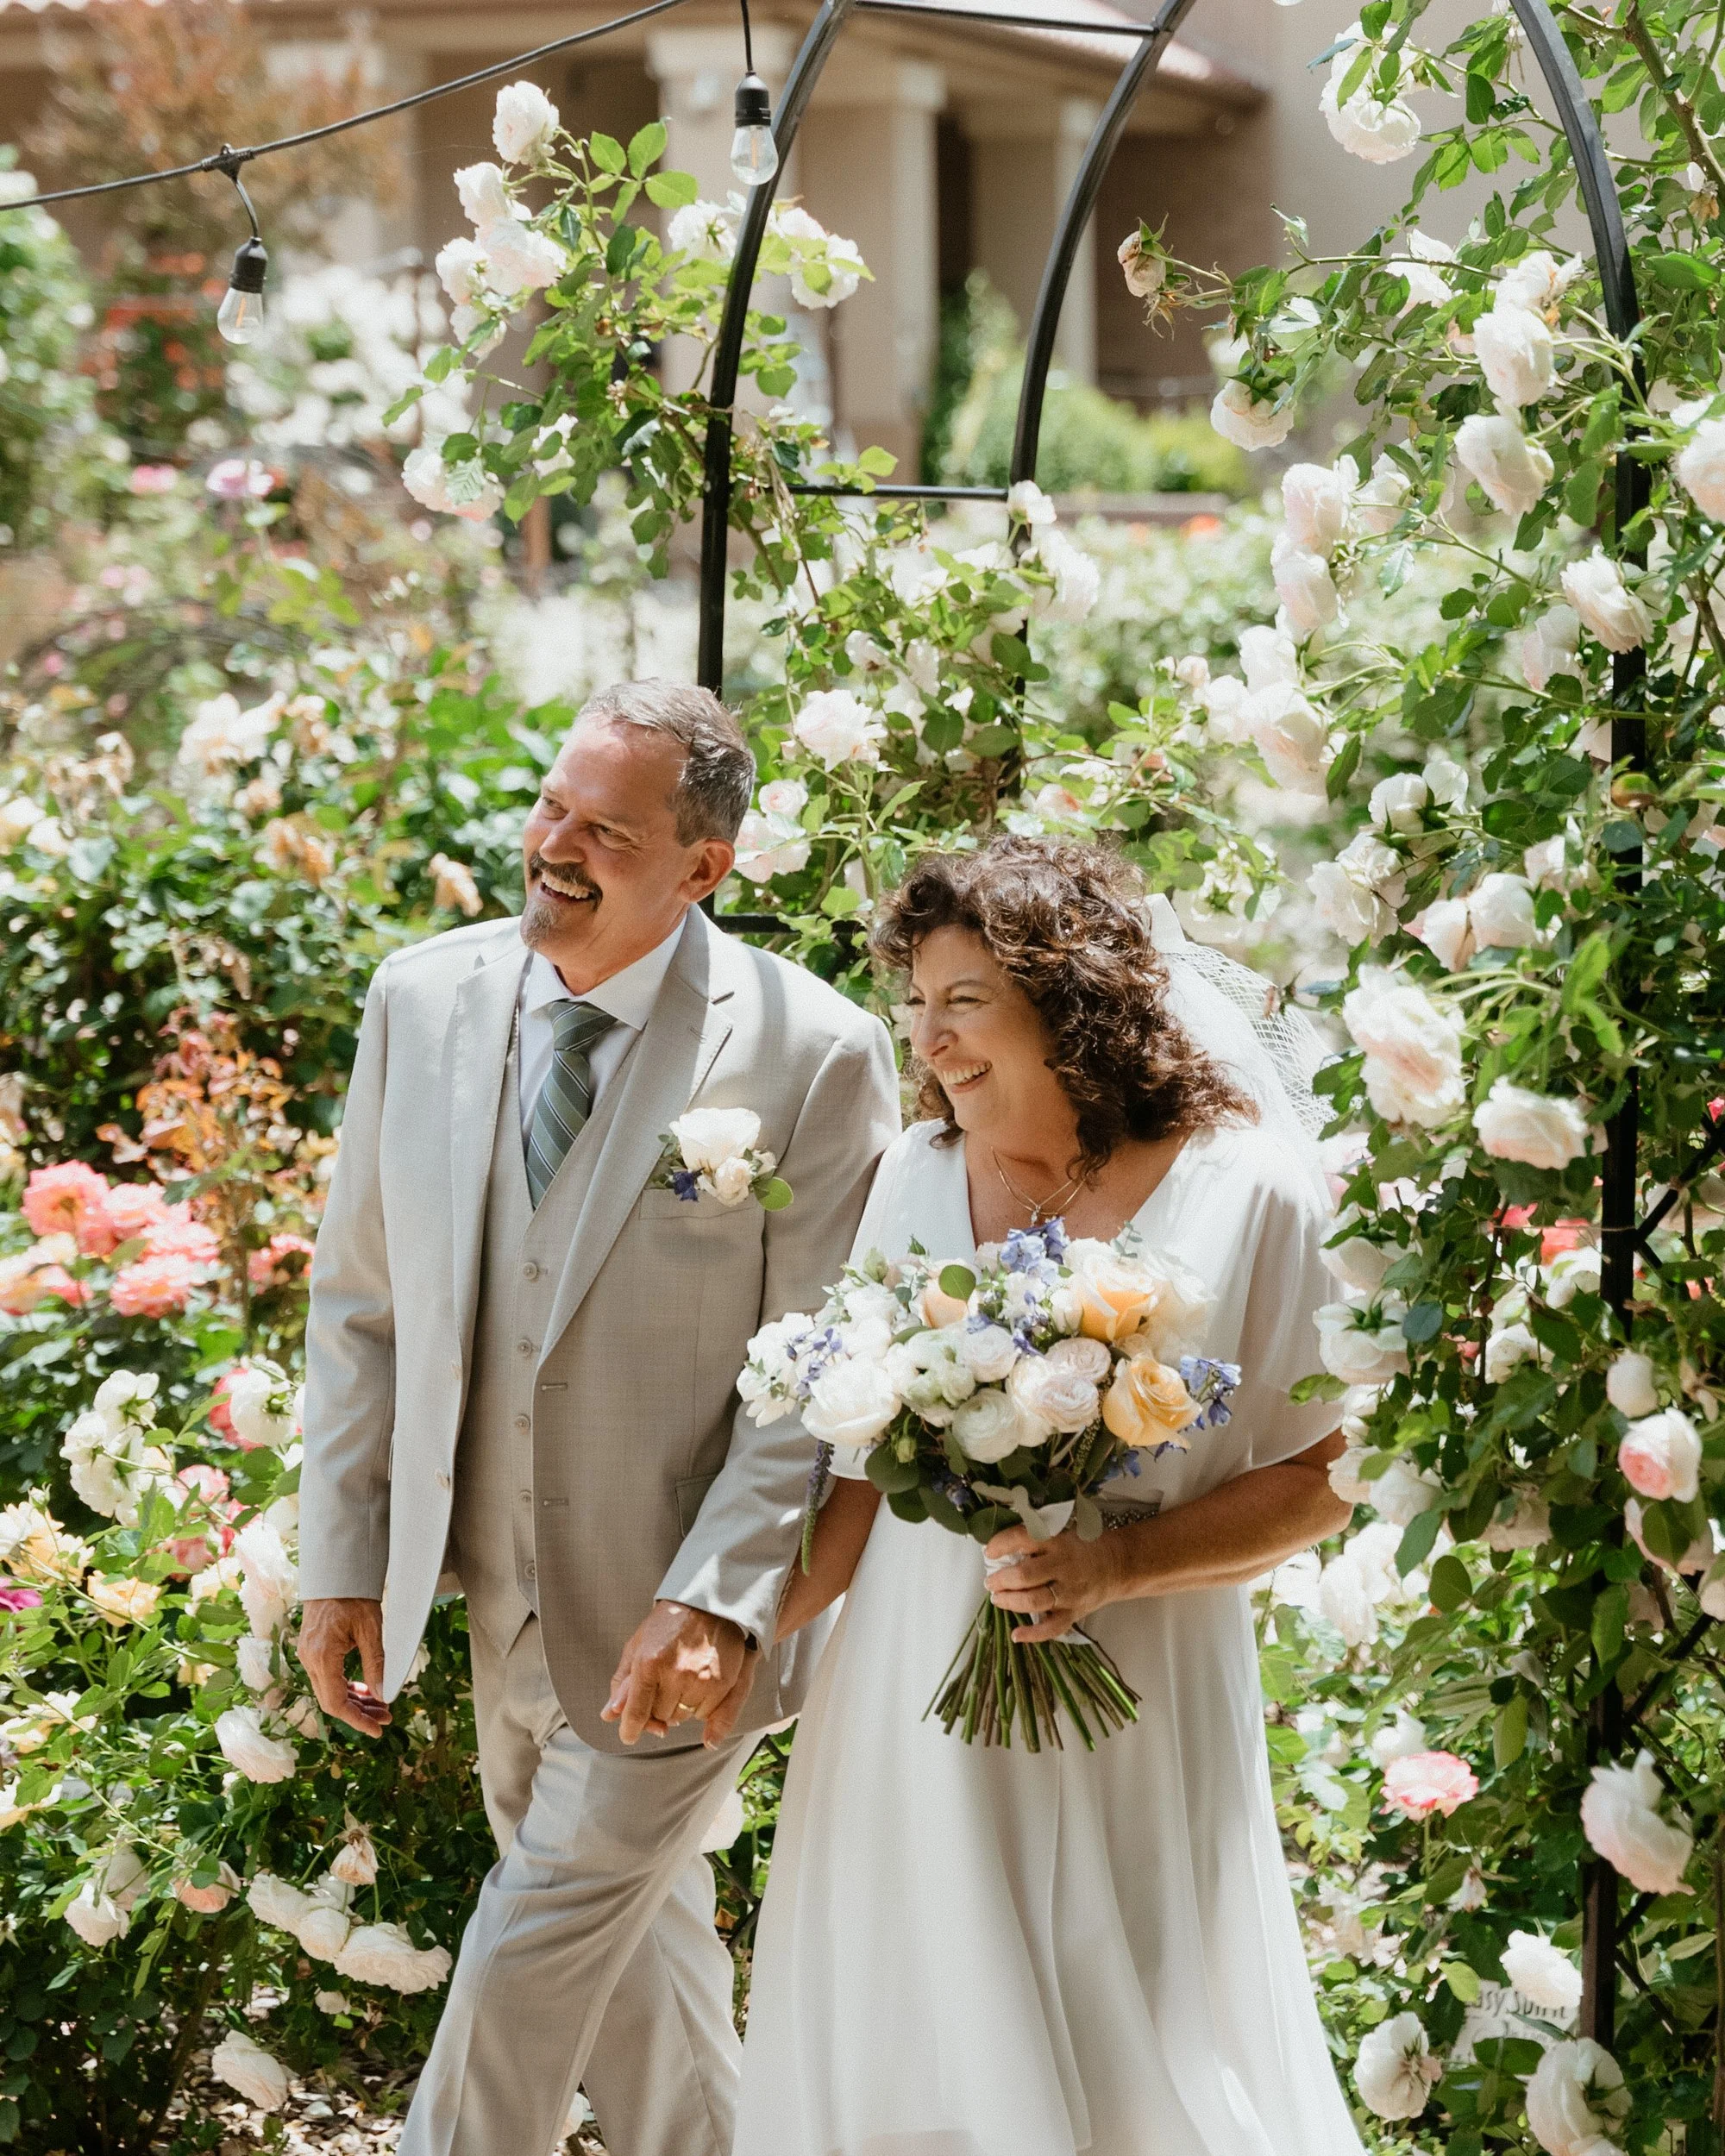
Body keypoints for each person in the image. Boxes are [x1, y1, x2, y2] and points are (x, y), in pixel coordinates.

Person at [295, 680, 899, 2156]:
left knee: (533, 1948)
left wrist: (718, 1599)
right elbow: (363, 1303)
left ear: (706, 866)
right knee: (641, 1964)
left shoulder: (810, 1052)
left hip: (674, 1619)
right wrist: (342, 1557)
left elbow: (815, 1364)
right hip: (487, 1590)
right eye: (553, 805)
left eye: (607, 831)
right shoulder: (420, 998)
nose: (555, 846)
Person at [724, 834, 1366, 2156]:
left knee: (1130, 2008)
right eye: (919, 1004)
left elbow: (1323, 1479)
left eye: (966, 1003)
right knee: (919, 2011)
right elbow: (854, 1471)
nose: (934, 1041)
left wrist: (1115, 1570)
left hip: (1139, 1680)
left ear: (1070, 1002)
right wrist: (744, 1620)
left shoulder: (1249, 1191)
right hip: (912, 1676)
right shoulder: (911, 1175)